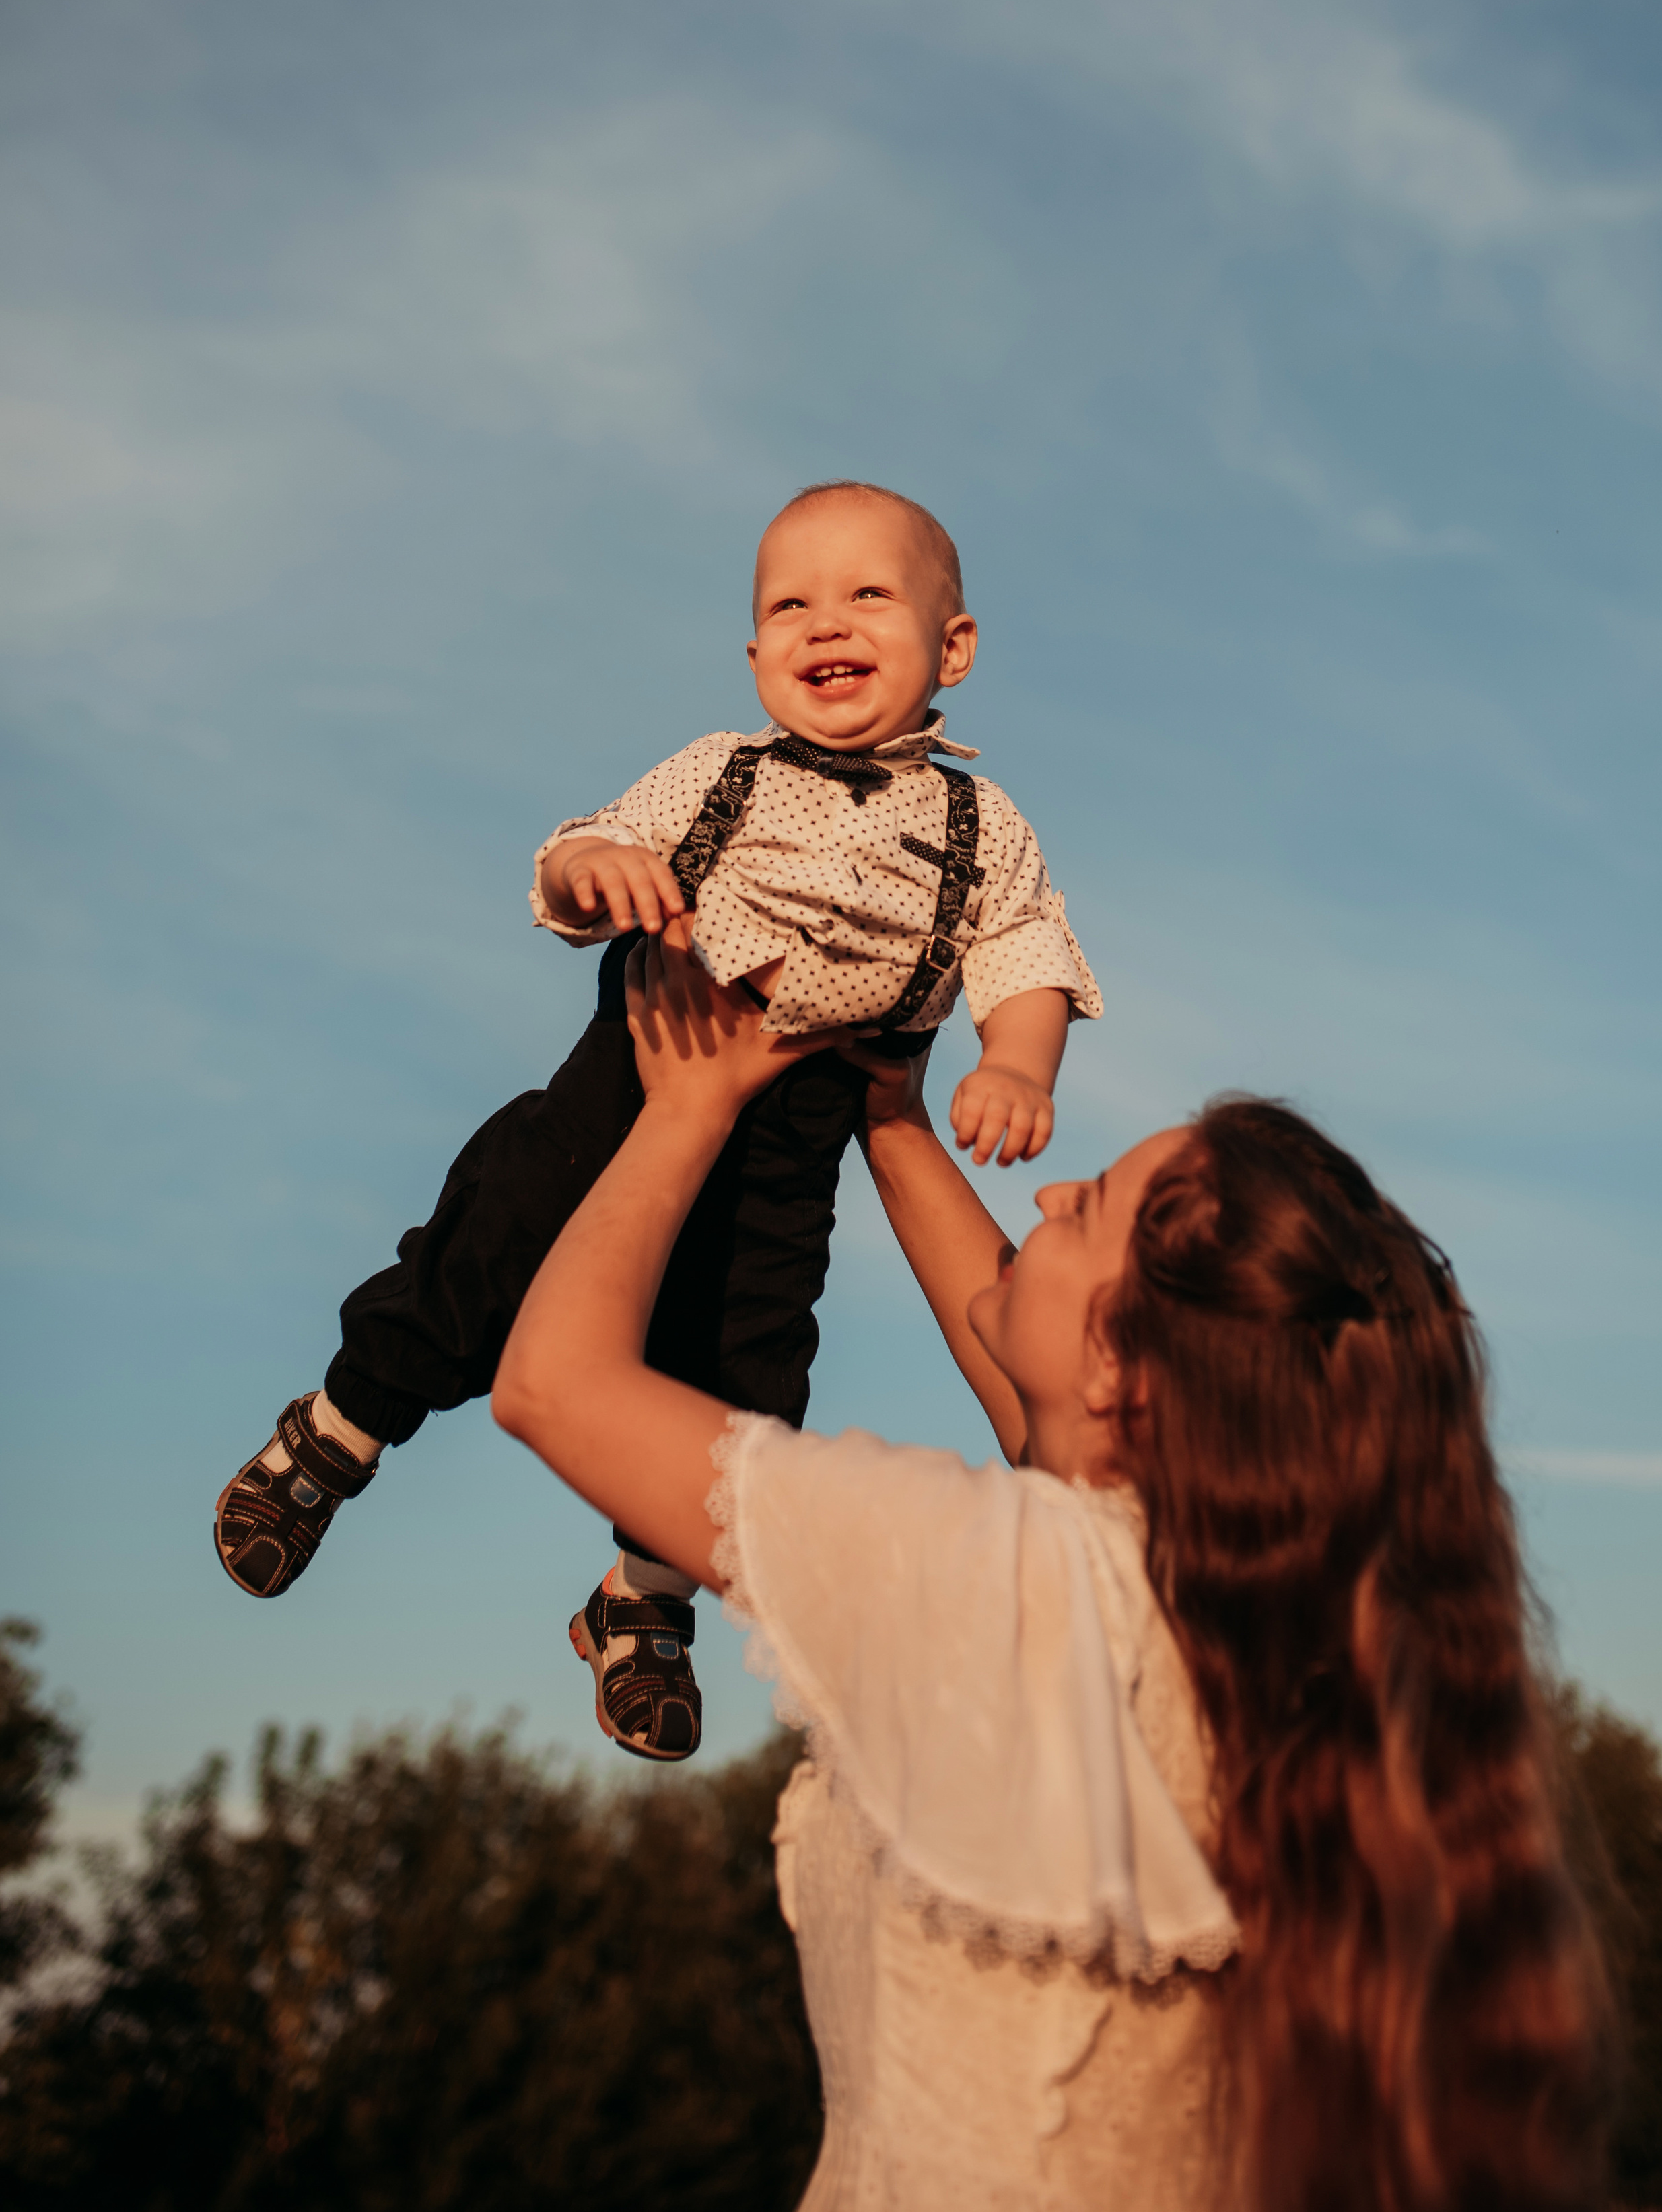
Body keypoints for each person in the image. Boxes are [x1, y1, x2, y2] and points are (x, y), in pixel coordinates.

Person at [493, 923, 1614, 2212]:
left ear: (1121, 1370)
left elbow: (555, 1384)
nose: (1041, 1202)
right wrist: (894, 1118)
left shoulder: (1000, 1579)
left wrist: (686, 1101)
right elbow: (1060, 1430)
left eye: (1080, 1210)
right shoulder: (1252, 1627)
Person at [213, 479, 1101, 1767]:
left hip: (803, 1133)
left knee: (749, 1371)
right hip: (642, 1070)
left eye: (867, 595)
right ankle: (339, 1429)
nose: (824, 625)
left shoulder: (985, 826)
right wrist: (603, 873)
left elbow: (1028, 953)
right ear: (754, 657)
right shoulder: (723, 773)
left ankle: (643, 1600)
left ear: (951, 648)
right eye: (789, 604)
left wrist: (1018, 1063)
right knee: (487, 1249)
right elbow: (591, 845)